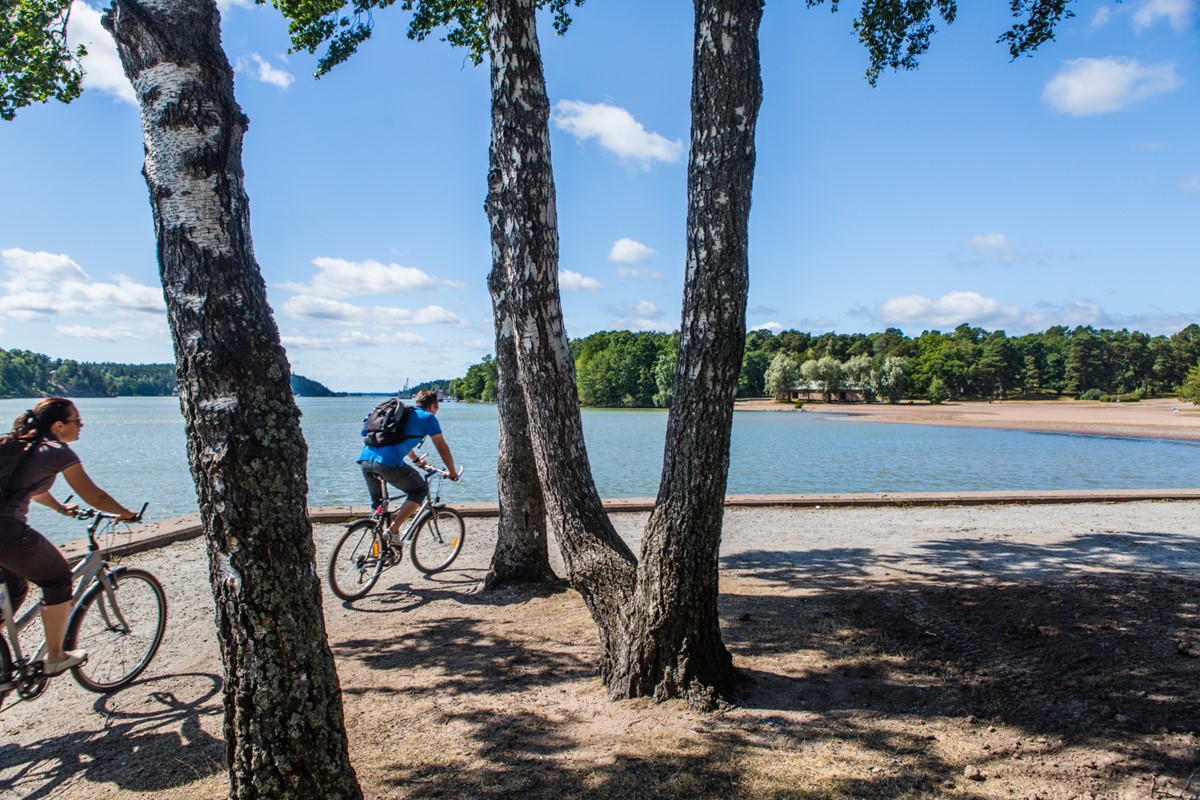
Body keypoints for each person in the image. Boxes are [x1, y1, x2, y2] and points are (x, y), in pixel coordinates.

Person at [0, 398, 140, 675]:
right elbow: (95, 496)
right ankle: (55, 656)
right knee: (58, 578)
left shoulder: (22, 445)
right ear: (59, 425)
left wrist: (62, 508)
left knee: (15, 590)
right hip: (7, 533)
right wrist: (125, 513)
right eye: (77, 421)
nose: (81, 426)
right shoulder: (57, 451)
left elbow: (33, 488)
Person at [358, 389, 458, 541]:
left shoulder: (405, 414)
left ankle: (377, 545)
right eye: (437, 407)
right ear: (432, 406)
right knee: (419, 490)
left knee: (378, 506)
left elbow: (399, 439)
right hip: (386, 463)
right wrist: (452, 472)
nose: (436, 411)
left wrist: (416, 460)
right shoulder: (428, 418)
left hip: (365, 460)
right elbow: (442, 448)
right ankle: (393, 530)